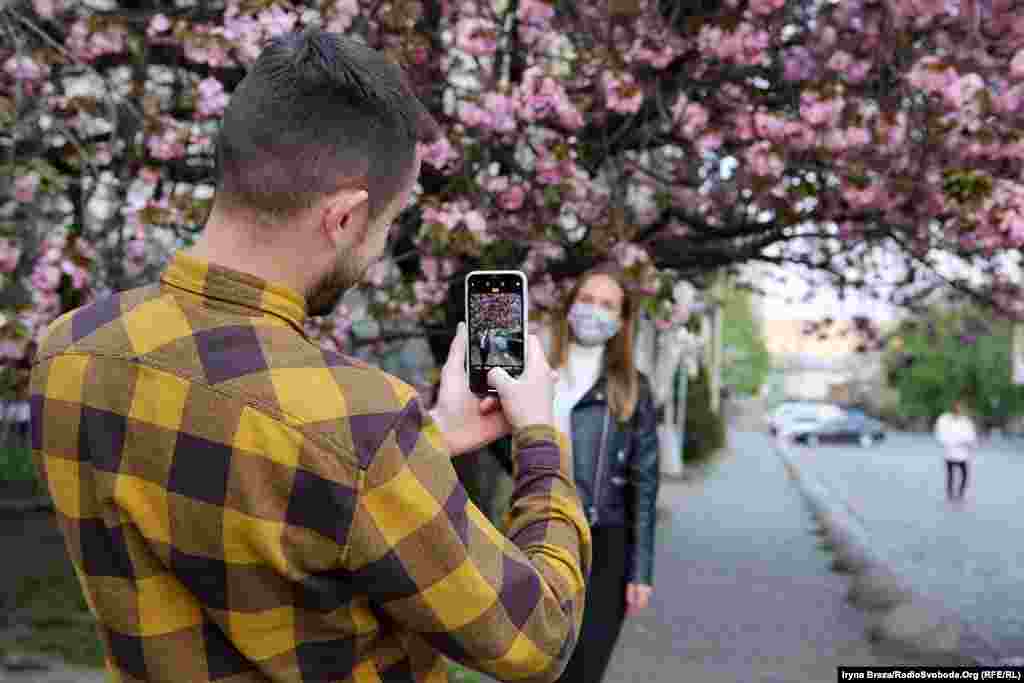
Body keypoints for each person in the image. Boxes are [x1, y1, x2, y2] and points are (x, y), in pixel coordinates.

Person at [28, 28, 592, 683]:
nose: (379, 252)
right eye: (386, 226)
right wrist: (544, 441)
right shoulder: (361, 426)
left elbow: (248, 476)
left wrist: (429, 435)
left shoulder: (67, 352)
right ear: (345, 218)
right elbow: (537, 638)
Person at [547, 264, 660, 683]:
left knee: (583, 669)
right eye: (587, 300)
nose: (594, 312)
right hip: (539, 536)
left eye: (607, 305)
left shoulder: (633, 389)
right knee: (533, 667)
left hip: (604, 546)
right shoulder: (537, 375)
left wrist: (641, 571)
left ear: (621, 321)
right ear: (570, 306)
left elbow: (644, 484)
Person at [935, 399, 978, 501]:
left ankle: (960, 494)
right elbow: (940, 435)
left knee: (964, 476)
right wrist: (948, 442)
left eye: (961, 408)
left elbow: (971, 436)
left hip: (962, 454)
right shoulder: (944, 419)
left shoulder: (966, 421)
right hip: (949, 453)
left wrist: (971, 444)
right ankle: (950, 494)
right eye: (958, 408)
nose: (959, 410)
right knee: (951, 476)